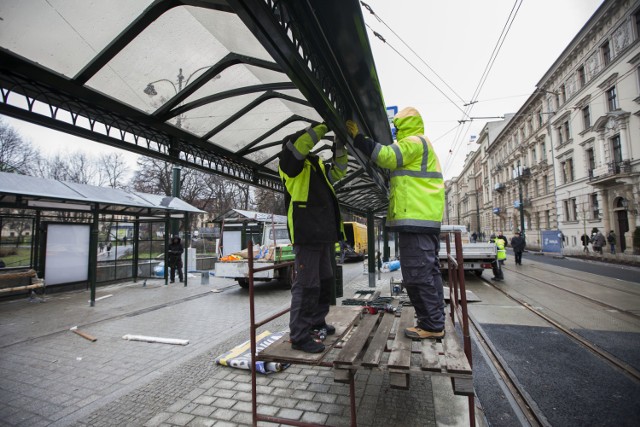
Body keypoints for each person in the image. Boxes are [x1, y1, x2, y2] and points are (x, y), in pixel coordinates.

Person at [346, 107, 446, 340]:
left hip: (417, 220)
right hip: (423, 220)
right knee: (428, 272)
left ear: (403, 125)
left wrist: (359, 139)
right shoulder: (422, 144)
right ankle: (433, 320)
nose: (393, 130)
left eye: (396, 126)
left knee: (418, 274)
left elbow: (386, 157)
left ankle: (432, 325)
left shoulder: (414, 142)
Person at [278, 123, 348, 353]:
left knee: (325, 279)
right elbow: (300, 144)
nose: (308, 146)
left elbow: (339, 170)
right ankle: (299, 335)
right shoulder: (290, 164)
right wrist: (326, 124)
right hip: (306, 232)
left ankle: (317, 321)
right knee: (307, 285)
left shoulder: (315, 165)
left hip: (324, 233)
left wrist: (340, 144)